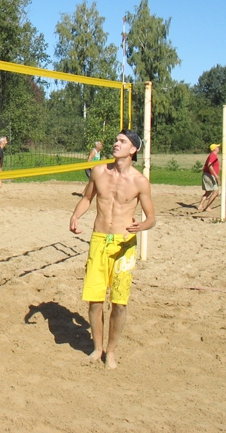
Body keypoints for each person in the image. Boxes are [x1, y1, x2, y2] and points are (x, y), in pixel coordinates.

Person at [69, 129, 156, 369]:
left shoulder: (140, 181)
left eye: (122, 141)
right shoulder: (99, 172)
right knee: (95, 301)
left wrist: (141, 226)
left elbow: (151, 218)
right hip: (99, 240)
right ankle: (97, 348)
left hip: (124, 245)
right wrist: (75, 215)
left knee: (119, 302)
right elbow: (87, 198)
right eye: (116, 140)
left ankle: (112, 351)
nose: (116, 144)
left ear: (133, 149)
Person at [198, 143, 221, 212]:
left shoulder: (213, 155)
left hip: (207, 174)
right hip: (209, 175)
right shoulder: (213, 155)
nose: (218, 148)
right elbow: (209, 165)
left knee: (208, 192)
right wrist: (216, 175)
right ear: (214, 149)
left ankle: (200, 205)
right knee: (216, 192)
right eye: (217, 147)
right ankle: (207, 207)